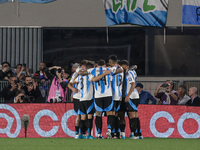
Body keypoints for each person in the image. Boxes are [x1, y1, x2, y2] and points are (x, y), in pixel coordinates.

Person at [72, 61, 96, 139]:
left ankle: (80, 134)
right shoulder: (89, 75)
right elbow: (95, 79)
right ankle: (88, 134)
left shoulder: (80, 76)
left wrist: (78, 74)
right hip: (89, 98)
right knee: (89, 117)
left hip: (81, 99)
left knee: (82, 118)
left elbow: (72, 82)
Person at [118, 60, 140, 139]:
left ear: (124, 66)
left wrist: (128, 96)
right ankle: (136, 133)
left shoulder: (129, 73)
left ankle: (134, 134)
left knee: (132, 115)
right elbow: (135, 66)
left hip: (131, 96)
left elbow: (133, 84)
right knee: (128, 115)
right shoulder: (131, 71)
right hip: (128, 96)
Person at [108, 55, 124, 138]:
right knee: (116, 114)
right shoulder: (122, 70)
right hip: (120, 95)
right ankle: (117, 133)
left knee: (112, 114)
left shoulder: (112, 70)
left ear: (110, 62)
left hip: (113, 95)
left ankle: (112, 132)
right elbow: (121, 69)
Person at [68, 62, 81, 139]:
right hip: (77, 97)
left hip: (84, 97)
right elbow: (70, 84)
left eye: (73, 67)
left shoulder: (81, 74)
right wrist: (73, 90)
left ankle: (82, 132)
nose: (72, 68)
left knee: (83, 116)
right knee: (79, 116)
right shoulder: (74, 75)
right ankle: (77, 133)